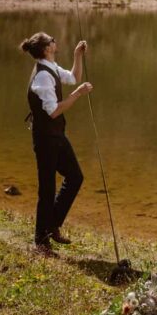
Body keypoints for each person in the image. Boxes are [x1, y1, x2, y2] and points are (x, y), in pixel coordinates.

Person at [20, 32, 92, 256]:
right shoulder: (42, 76)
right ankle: (41, 241)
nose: (54, 41)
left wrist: (77, 55)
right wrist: (77, 95)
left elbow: (73, 77)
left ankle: (52, 226)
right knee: (47, 188)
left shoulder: (50, 66)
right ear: (45, 49)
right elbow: (53, 111)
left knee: (75, 176)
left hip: (56, 135)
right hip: (45, 137)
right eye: (51, 40)